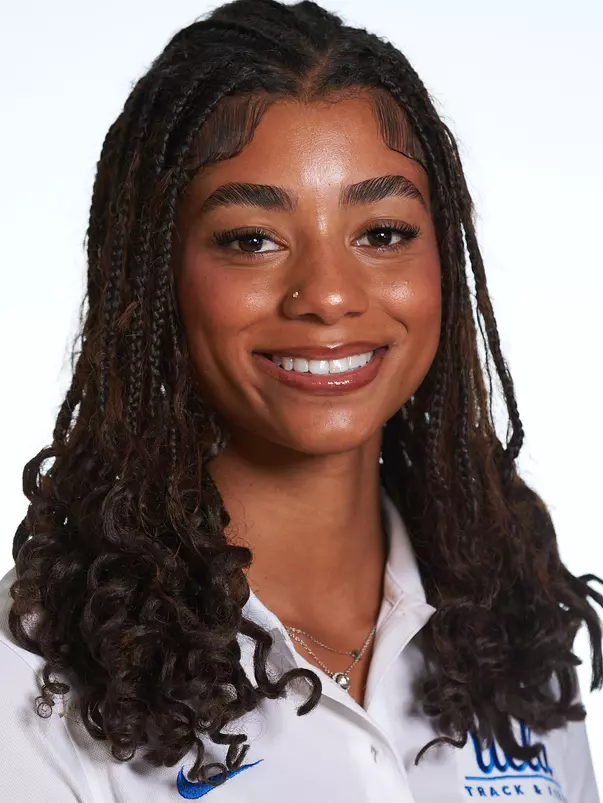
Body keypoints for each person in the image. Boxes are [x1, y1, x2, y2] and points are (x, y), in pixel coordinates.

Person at [1, 0, 601, 800]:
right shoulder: (33, 678)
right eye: (252, 238)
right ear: (156, 280)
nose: (326, 295)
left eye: (381, 233)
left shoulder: (507, 621)